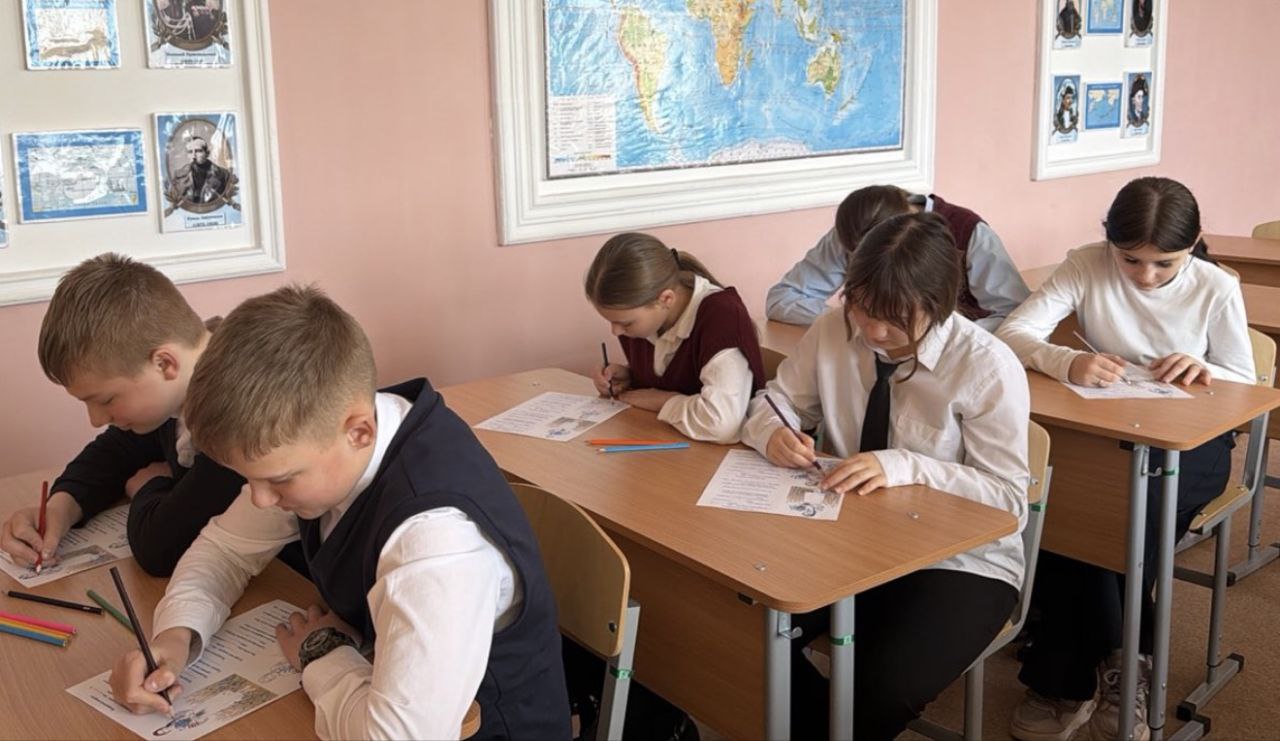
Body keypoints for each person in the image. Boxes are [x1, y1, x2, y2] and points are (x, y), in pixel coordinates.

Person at [106, 285, 571, 740]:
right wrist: (176, 637)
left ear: (359, 432)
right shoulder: (324, 440)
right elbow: (225, 548)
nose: (260, 499)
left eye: (279, 479)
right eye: (249, 479)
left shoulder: (433, 542)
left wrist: (322, 653)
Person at [744, 211, 1030, 739]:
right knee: (740, 632)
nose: (873, 331)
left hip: (959, 560)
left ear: (939, 304)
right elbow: (776, 401)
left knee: (880, 687)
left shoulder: (986, 365)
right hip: (846, 535)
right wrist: (772, 432)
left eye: (895, 319)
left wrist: (903, 465)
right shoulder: (834, 329)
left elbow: (1009, 501)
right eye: (862, 307)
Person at [996, 177, 1252, 741]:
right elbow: (1015, 332)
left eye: (1165, 264)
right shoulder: (1086, 263)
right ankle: (1126, 664)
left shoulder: (1216, 286)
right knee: (1076, 508)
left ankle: (1062, 680)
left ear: (1194, 244)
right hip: (1105, 431)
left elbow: (1246, 379)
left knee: (1112, 521)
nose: (1145, 276)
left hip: (1190, 444)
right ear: (1108, 240)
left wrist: (1204, 367)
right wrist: (1065, 361)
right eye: (1130, 259)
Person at [0, 253, 254, 577]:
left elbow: (161, 549)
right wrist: (60, 507)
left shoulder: (237, 414)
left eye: (106, 400)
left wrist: (150, 485)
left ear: (164, 364)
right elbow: (118, 450)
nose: (95, 419)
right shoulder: (178, 389)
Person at [586, 232, 766, 444]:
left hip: (720, 454)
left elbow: (722, 424)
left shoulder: (721, 318)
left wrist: (662, 401)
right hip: (667, 444)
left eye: (625, 323)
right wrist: (630, 377)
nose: (615, 332)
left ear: (666, 299)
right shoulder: (645, 320)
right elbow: (675, 374)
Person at [765, 185, 1028, 330]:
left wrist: (936, 333)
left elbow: (1017, 316)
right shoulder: (855, 228)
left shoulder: (969, 233)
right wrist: (852, 321)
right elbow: (783, 298)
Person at [168, 135, 231, 205]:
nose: (194, 156)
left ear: (207, 153)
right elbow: (173, 201)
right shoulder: (178, 176)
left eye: (198, 151)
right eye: (190, 152)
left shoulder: (223, 175)